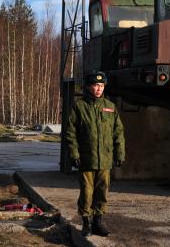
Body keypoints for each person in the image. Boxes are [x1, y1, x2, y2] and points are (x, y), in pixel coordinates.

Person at [65, 71, 125, 237]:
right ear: (88, 87)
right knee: (86, 192)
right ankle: (86, 223)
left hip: (105, 159)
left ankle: (98, 222)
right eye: (95, 85)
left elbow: (118, 132)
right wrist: (74, 154)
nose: (98, 88)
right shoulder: (79, 106)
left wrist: (119, 153)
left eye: (101, 85)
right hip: (86, 158)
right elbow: (71, 133)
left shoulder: (110, 107)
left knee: (102, 191)